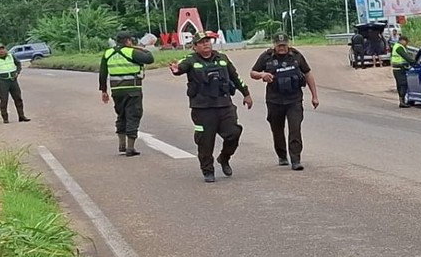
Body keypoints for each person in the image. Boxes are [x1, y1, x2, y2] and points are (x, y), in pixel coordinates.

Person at [169, 32, 253, 182]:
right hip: (202, 109)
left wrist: (246, 94)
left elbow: (235, 77)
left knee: (234, 133)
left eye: (207, 41)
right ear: (195, 46)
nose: (206, 44)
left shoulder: (222, 58)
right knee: (205, 142)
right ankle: (208, 170)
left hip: (224, 105)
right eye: (202, 42)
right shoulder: (191, 60)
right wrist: (177, 69)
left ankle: (224, 158)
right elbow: (180, 67)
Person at [250, 33, 319, 170]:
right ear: (274, 45)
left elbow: (308, 74)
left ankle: (296, 159)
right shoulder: (267, 57)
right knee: (277, 130)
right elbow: (253, 73)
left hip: (294, 99)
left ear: (288, 44)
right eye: (279, 45)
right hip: (274, 100)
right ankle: (282, 155)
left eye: (284, 45)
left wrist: (314, 96)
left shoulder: (296, 56)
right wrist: (262, 74)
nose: (281, 48)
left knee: (295, 128)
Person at [99, 31, 155, 156]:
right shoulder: (131, 52)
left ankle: (121, 144)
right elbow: (149, 58)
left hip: (116, 91)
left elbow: (103, 73)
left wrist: (104, 90)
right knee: (133, 116)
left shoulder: (108, 53)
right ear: (128, 41)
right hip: (132, 90)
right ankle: (130, 148)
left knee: (121, 116)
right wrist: (139, 48)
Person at [0, 44, 30, 123]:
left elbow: (18, 64)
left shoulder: (11, 56)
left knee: (18, 98)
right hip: (3, 81)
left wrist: (17, 72)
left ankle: (21, 116)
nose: (1, 51)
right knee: (4, 100)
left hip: (13, 80)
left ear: (5, 49)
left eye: (3, 49)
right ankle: (5, 118)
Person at [390, 35, 416, 108]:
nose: (406, 43)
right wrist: (414, 63)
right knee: (403, 84)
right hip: (399, 68)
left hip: (397, 68)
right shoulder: (399, 47)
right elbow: (406, 56)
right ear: (402, 40)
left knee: (400, 85)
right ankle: (402, 101)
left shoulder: (397, 46)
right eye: (406, 42)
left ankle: (402, 101)